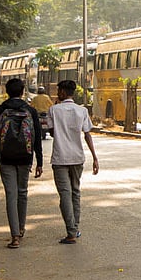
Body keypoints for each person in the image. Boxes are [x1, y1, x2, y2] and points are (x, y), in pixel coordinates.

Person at [0, 78, 43, 249]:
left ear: (7, 92)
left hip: (6, 158)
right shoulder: (30, 110)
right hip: (25, 158)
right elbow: (37, 138)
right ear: (22, 91)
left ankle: (15, 236)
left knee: (11, 195)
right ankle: (21, 228)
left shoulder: (0, 109)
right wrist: (39, 162)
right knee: (22, 193)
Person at [48, 79, 99, 245]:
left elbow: (52, 132)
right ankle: (74, 228)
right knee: (75, 192)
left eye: (58, 91)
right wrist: (95, 157)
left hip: (60, 157)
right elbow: (87, 134)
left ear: (63, 92)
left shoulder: (53, 110)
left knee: (65, 193)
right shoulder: (82, 110)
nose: (57, 94)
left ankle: (71, 231)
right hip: (77, 157)